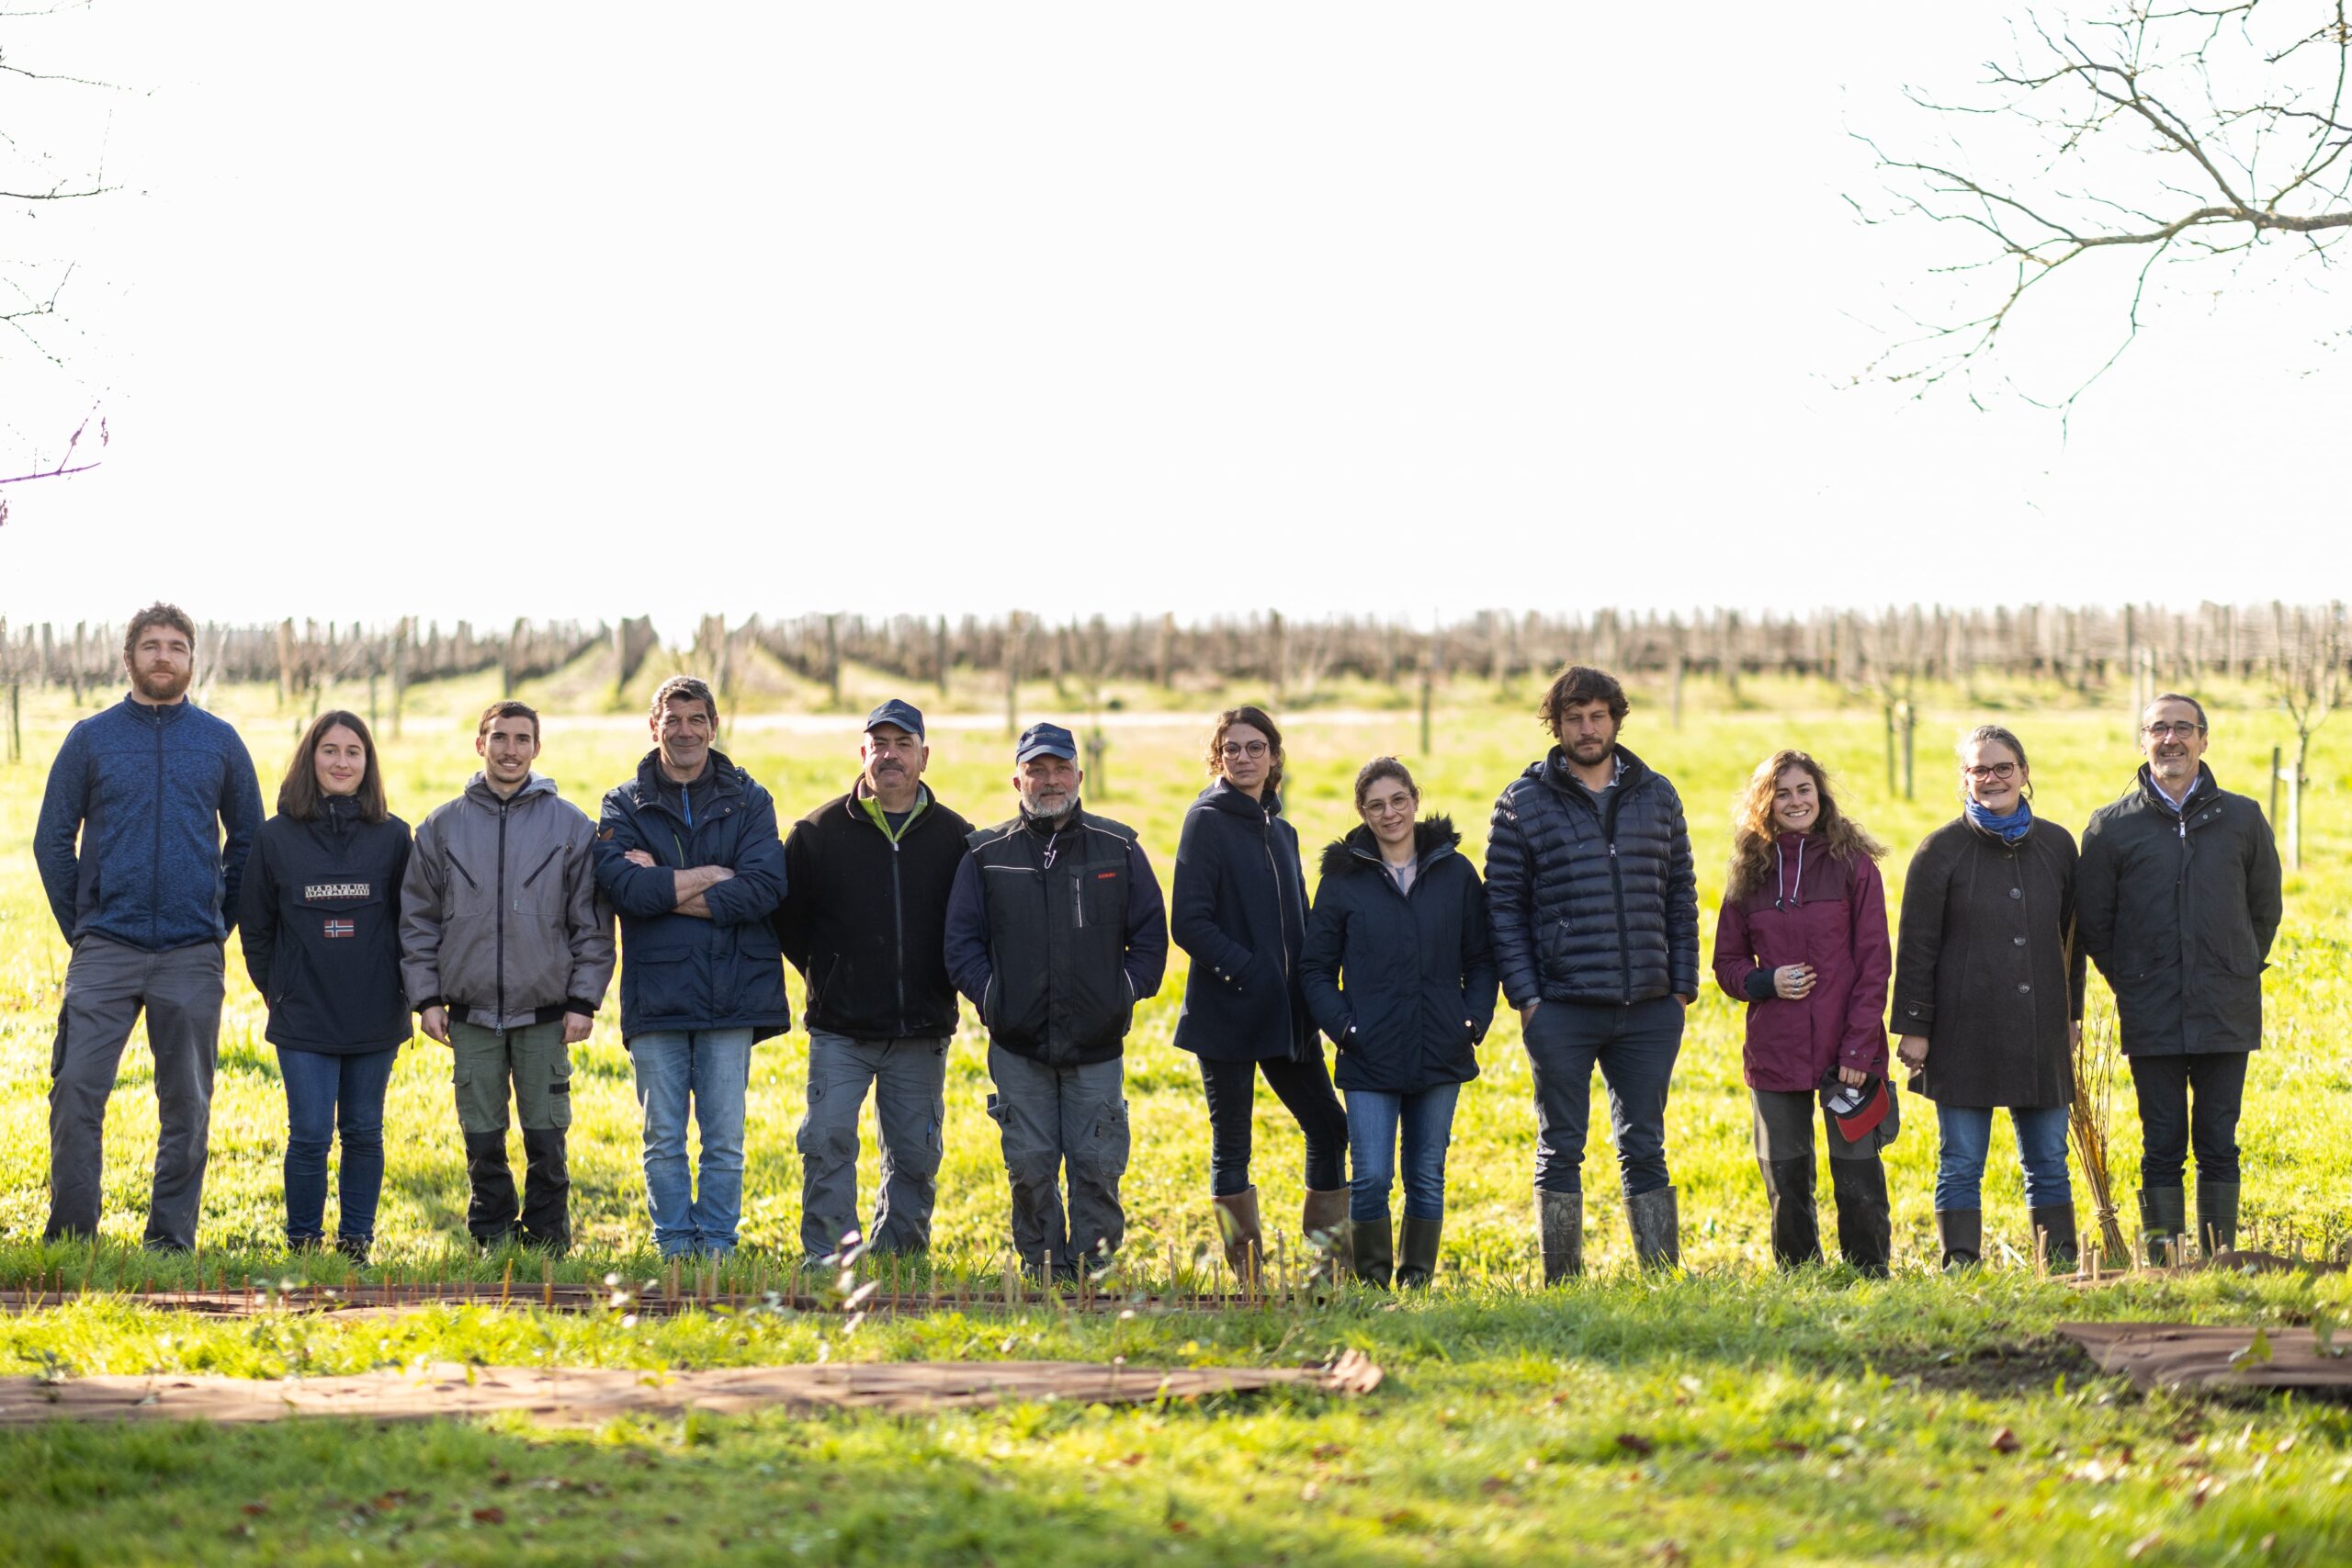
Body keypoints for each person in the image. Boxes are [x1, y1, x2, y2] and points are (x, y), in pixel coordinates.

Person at [34, 603, 265, 1251]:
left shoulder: (219, 740)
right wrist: (83, 924)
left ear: (193, 660)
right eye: (152, 645)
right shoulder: (91, 738)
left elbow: (248, 836)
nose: (164, 656)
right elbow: (52, 838)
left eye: (177, 646)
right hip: (105, 946)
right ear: (129, 658)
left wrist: (216, 920)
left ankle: (170, 1239)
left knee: (186, 1103)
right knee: (76, 1087)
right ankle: (73, 1235)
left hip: (191, 950)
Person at [1486, 665, 1698, 1280]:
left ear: (1616, 719)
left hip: (1651, 1007)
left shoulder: (1657, 794)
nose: (1587, 728)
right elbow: (1502, 906)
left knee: (1646, 1146)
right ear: (1556, 726)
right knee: (1561, 1148)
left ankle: (1660, 1276)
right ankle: (1564, 1280)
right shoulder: (1522, 803)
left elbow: (1681, 893)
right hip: (1562, 1007)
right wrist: (1527, 997)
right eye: (1573, 717)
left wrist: (1681, 985)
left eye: (1597, 715)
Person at [944, 722, 1168, 1282]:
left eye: (1060, 768)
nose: (1049, 781)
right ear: (1016, 777)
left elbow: (1150, 938)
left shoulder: (1119, 848)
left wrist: (1124, 994)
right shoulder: (986, 855)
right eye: (1037, 770)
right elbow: (960, 943)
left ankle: (1094, 1271)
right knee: (1030, 1165)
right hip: (1018, 1046)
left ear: (1079, 775)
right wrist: (993, 998)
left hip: (1096, 1045)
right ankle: (1044, 1271)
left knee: (1096, 1163)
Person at [400, 700, 613, 1254]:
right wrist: (425, 998)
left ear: (537, 748)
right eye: (499, 738)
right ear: (480, 745)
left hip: (545, 1012)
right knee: (482, 1136)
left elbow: (590, 922)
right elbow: (417, 920)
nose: (510, 749)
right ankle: (491, 1236)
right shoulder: (442, 826)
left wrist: (583, 1001)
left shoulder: (571, 826)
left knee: (547, 1133)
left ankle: (547, 1241)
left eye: (522, 739)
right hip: (468, 1014)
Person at [2077, 694, 2282, 1263]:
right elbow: (2096, 924)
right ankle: (2165, 1258)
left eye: (2183, 729)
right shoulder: (2112, 827)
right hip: (2152, 1010)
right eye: (2158, 729)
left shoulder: (2241, 818)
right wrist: (2135, 981)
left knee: (2219, 1140)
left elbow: (2265, 909)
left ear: (2204, 738)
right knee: (2161, 1142)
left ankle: (2219, 1257)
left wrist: (2236, 965)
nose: (2171, 739)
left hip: (2226, 1007)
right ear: (2142, 741)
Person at [595, 674, 790, 1259]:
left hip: (734, 990)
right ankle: (675, 1245)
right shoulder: (622, 804)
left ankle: (719, 1249)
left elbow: (764, 888)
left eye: (696, 719)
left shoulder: (750, 799)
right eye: (672, 720)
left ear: (713, 726)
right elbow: (623, 888)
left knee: (724, 1139)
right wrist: (712, 874)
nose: (684, 731)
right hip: (656, 995)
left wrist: (664, 884)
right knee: (662, 1137)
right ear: (653, 727)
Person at [775, 699, 974, 1264]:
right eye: (878, 744)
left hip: (922, 1028)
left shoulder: (957, 838)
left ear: (924, 757)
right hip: (841, 1030)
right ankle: (832, 1260)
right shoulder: (816, 833)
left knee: (915, 1154)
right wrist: (831, 975)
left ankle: (901, 1259)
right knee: (827, 1142)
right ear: (862, 754)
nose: (890, 756)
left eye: (902, 744)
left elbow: (969, 927)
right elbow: (791, 923)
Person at [1892, 725, 2086, 1269]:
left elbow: (2072, 942)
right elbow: (1916, 946)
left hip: (2040, 1026)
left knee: (2049, 1156)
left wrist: (2071, 1014)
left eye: (2004, 767)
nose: (1992, 778)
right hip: (1962, 1030)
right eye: (1980, 769)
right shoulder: (1940, 851)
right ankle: (1960, 1259)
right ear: (1964, 779)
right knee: (1959, 1160)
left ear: (2025, 773)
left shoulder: (2057, 845)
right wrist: (1915, 1025)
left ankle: (2064, 1259)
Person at [1299, 757, 1495, 1288]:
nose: (1390, 814)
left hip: (1441, 1046)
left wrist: (1472, 1021)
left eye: (1399, 801)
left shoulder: (1454, 872)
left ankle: (1416, 1283)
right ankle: (1372, 1282)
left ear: (1416, 798)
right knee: (1371, 1178)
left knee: (1427, 1175)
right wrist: (1346, 1028)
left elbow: (1481, 958)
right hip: (1369, 1051)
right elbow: (1315, 969)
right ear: (1362, 812)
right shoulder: (1343, 881)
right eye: (1377, 805)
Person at [1170, 705, 1350, 1280]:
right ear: (1217, 757)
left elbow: (1295, 917)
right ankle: (1247, 1277)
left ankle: (1327, 1266)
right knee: (1233, 1147)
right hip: (1229, 1012)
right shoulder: (1205, 821)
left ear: (1274, 757)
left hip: (1289, 1016)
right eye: (1232, 748)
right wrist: (1252, 971)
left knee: (1328, 1126)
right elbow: (1189, 923)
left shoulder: (1282, 828)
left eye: (1255, 748)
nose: (1243, 758)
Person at [1711, 750, 1895, 1276]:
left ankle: (1868, 1274)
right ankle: (1800, 1276)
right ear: (1764, 804)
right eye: (1782, 793)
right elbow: (1725, 963)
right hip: (1776, 1049)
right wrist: (1764, 982)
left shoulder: (1854, 866)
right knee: (1785, 1176)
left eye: (1804, 790)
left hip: (1848, 1049)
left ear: (1821, 795)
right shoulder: (1748, 872)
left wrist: (1860, 1047)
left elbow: (1874, 963)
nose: (1795, 802)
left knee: (1857, 1172)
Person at [238, 711, 413, 1263]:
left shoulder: (393, 836)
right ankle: (304, 1243)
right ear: (310, 759)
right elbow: (256, 925)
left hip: (376, 1011)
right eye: (330, 751)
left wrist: (404, 991)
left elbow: (412, 921)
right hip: (303, 1013)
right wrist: (278, 989)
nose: (342, 762)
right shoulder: (275, 836)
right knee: (310, 1134)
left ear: (369, 763)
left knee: (364, 1130)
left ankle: (358, 1241)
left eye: (354, 752)